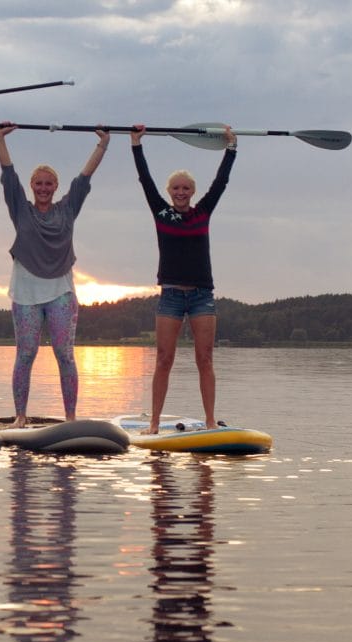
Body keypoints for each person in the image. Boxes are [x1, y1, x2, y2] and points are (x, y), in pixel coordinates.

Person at [0, 122, 110, 428]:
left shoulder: (67, 208)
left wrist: (103, 144)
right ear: (32, 187)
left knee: (65, 355)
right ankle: (20, 416)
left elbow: (84, 178)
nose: (43, 188)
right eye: (39, 184)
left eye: (49, 184)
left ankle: (70, 418)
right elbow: (9, 175)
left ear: (55, 187)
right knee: (25, 355)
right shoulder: (21, 209)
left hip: (60, 292)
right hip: (25, 294)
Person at [129, 123, 237, 434]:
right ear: (169, 191)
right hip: (171, 297)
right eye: (175, 188)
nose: (180, 192)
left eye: (185, 188)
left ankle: (211, 421)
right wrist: (136, 144)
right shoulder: (161, 213)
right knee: (164, 360)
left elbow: (222, 182)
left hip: (202, 295)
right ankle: (153, 424)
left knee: (205, 359)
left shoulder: (203, 212)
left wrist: (231, 148)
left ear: (192, 192)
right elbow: (144, 180)